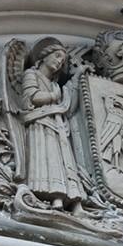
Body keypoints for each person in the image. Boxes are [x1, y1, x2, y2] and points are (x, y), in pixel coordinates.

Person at [20, 37, 85, 209]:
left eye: (62, 61)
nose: (59, 62)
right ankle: (55, 198)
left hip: (58, 126)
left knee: (64, 163)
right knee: (49, 161)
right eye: (56, 56)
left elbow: (68, 109)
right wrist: (52, 96)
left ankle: (74, 202)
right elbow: (31, 98)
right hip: (41, 125)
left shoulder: (55, 85)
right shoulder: (31, 74)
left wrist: (77, 78)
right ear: (44, 56)